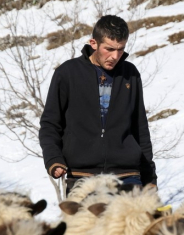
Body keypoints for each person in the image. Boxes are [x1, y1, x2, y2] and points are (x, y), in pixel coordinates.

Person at [39, 15, 156, 193]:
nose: (115, 56)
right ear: (93, 43)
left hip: (127, 176)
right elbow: (50, 124)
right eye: (109, 49)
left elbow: (140, 128)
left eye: (120, 49)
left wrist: (150, 178)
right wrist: (53, 159)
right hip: (82, 177)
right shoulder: (67, 73)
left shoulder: (130, 74)